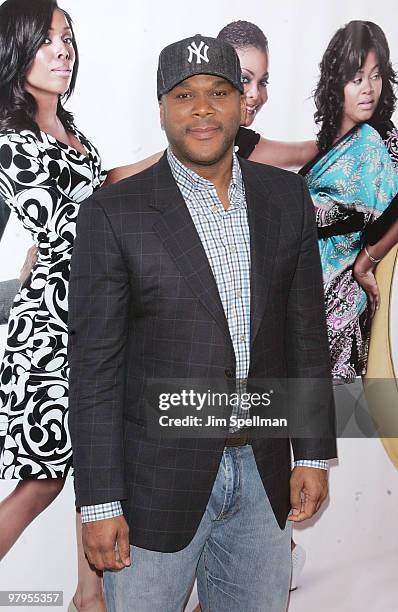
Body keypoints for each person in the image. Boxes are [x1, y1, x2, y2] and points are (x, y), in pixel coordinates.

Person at [68, 34, 337, 612]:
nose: (202, 109)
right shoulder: (113, 214)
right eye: (183, 94)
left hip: (264, 476)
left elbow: (305, 336)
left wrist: (311, 454)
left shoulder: (286, 198)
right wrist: (97, 503)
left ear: (243, 102)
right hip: (151, 487)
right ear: (162, 107)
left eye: (219, 91)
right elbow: (93, 372)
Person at [0, 1, 106, 610]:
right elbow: (70, 227)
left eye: (67, 38)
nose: (63, 50)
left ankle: (88, 601)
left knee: (95, 471)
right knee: (42, 481)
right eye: (47, 40)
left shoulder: (70, 130)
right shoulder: (11, 139)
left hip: (91, 324)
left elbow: (95, 207)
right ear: (18, 50)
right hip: (47, 331)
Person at [299, 20, 398, 383]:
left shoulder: (379, 143)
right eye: (357, 78)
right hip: (301, 297)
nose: (369, 89)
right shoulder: (325, 147)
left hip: (343, 309)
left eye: (376, 75)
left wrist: (365, 263)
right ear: (335, 82)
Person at [105, 20, 318, 186]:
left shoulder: (249, 149)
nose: (253, 94)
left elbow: (303, 153)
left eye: (263, 81)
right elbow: (119, 177)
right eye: (243, 79)